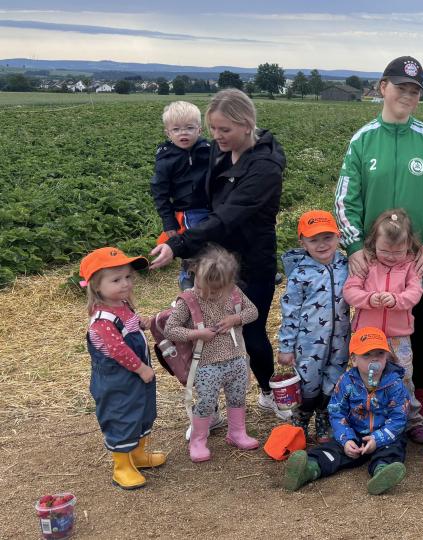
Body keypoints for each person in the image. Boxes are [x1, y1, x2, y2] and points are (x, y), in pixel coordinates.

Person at [149, 88, 288, 420]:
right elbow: (199, 199)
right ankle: (208, 409)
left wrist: (179, 244)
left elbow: (227, 216)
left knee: (250, 332)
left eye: (224, 130)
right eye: (213, 129)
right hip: (216, 258)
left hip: (252, 261)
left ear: (246, 124)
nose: (217, 137)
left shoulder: (265, 167)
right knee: (208, 334)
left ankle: (269, 394)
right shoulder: (219, 152)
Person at [334, 55, 423, 415]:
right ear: (382, 87)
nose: (408, 95)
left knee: (415, 328)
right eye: (401, 87)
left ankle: (416, 400)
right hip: (371, 260)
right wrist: (355, 245)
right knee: (366, 328)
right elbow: (345, 199)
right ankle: (363, 401)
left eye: (415, 90)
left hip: (416, 260)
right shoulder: (363, 140)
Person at [281, 327, 409, 495]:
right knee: (332, 450)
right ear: (354, 359)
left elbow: (399, 418)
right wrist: (346, 439)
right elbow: (336, 412)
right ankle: (309, 468)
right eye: (367, 355)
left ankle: (382, 472)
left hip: (384, 435)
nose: (374, 360)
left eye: (379, 353)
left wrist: (378, 439)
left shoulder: (394, 384)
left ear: (387, 357)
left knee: (393, 449)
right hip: (354, 433)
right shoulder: (346, 381)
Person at [163, 245, 260, 462]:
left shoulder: (234, 292)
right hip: (206, 363)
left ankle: (237, 433)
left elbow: (253, 311)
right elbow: (170, 329)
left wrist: (236, 319)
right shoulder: (188, 300)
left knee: (237, 397)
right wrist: (196, 333)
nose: (209, 294)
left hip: (236, 358)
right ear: (194, 273)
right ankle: (198, 440)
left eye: (216, 290)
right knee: (206, 401)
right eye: (204, 287)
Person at [81, 247, 165, 489]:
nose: (125, 283)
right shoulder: (102, 321)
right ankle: (122, 466)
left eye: (128, 277)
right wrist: (140, 369)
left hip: (137, 377)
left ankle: (138, 455)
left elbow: (129, 324)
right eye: (116, 280)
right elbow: (118, 350)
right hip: (118, 380)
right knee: (122, 416)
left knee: (142, 411)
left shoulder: (122, 304)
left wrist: (139, 322)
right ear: (96, 286)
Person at [343, 209, 423, 444]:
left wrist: (397, 300)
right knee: (365, 376)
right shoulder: (366, 263)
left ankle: (412, 420)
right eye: (384, 251)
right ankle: (364, 418)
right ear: (373, 243)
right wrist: (370, 299)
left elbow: (415, 292)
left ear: (409, 245)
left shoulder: (410, 265)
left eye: (397, 252)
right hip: (368, 337)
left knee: (404, 376)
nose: (391, 257)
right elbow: (350, 291)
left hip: (398, 336)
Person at [277, 210, 350, 442]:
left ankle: (324, 416)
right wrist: (286, 346)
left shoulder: (346, 265)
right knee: (308, 381)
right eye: (313, 239)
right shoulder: (300, 273)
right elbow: (290, 312)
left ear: (338, 237)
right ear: (302, 242)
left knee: (335, 377)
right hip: (308, 343)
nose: (321, 245)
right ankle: (303, 415)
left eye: (327, 237)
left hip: (341, 338)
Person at [149, 100, 212, 290]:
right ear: (168, 133)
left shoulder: (209, 150)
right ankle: (188, 269)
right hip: (188, 209)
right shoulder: (166, 159)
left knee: (223, 236)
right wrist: (169, 222)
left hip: (214, 205)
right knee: (194, 240)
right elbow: (159, 193)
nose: (183, 133)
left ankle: (237, 268)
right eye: (176, 129)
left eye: (189, 128)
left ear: (199, 130)